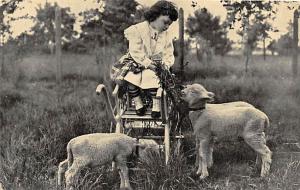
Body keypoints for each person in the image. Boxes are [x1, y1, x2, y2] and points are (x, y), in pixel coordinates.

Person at [122, 0, 178, 118]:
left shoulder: (166, 35)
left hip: (156, 66)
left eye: (169, 24)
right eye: (165, 22)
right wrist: (147, 63)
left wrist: (165, 65)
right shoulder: (138, 30)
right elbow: (135, 51)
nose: (167, 27)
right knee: (131, 78)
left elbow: (169, 53)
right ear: (155, 16)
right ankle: (138, 103)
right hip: (137, 62)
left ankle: (156, 105)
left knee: (152, 77)